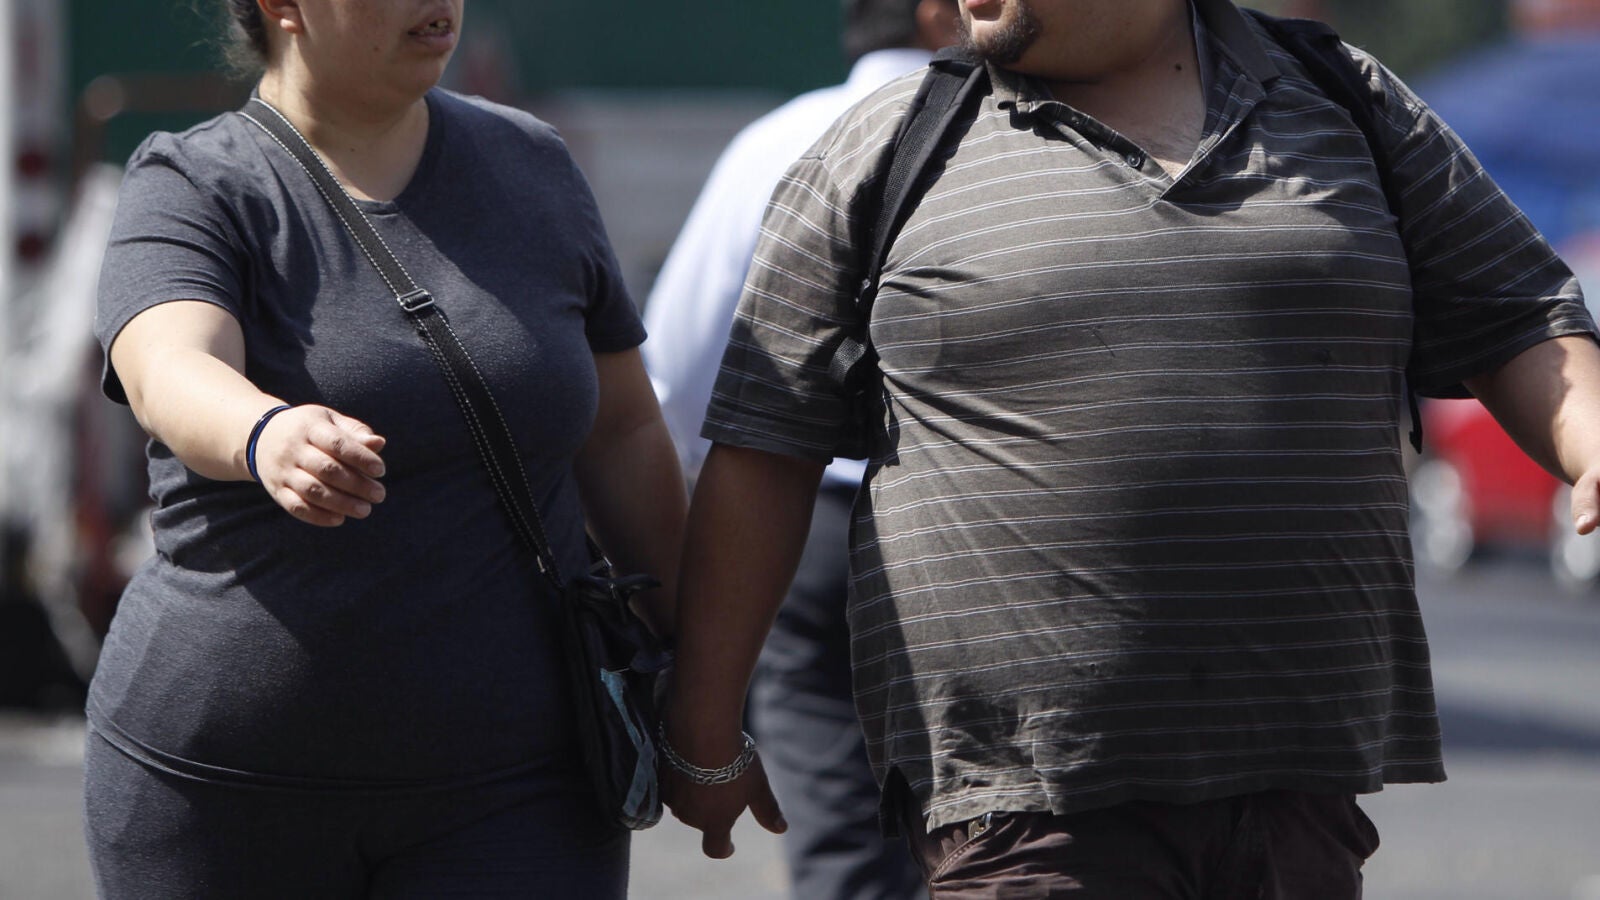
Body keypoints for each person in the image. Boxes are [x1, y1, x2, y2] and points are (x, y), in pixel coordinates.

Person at [658, 0, 1600, 896]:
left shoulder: (1345, 99)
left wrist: (1588, 445)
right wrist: (705, 729)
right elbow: (762, 448)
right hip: (1024, 807)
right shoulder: (887, 143)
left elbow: (1518, 314)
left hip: (1299, 784)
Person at [84, 1, 686, 897]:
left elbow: (624, 430)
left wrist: (705, 690)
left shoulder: (532, 164)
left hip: (522, 787)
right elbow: (166, 366)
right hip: (226, 790)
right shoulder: (193, 179)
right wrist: (263, 432)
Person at [643, 2, 957, 897]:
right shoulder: (1020, 128)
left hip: (806, 529)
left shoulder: (780, 138)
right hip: (978, 518)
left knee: (847, 846)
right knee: (1020, 834)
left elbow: (673, 376)